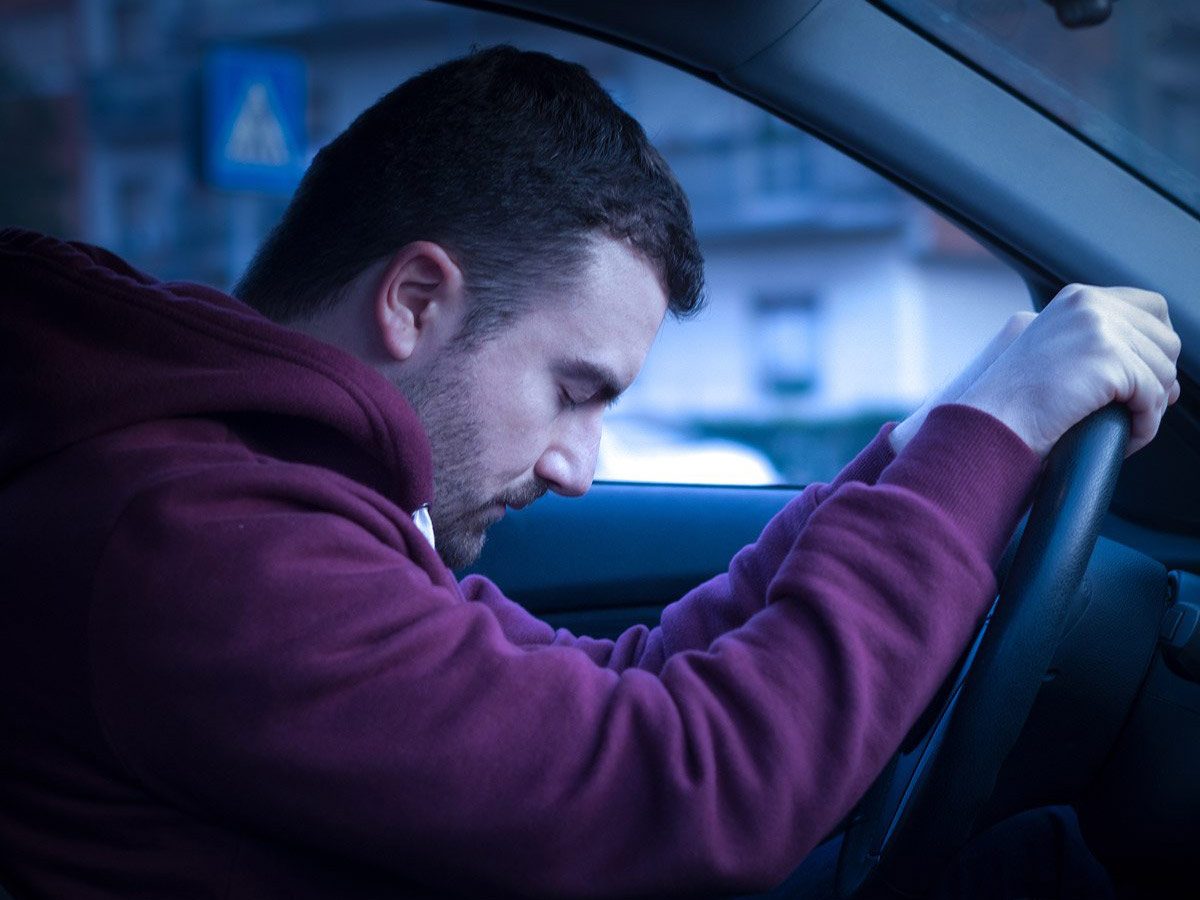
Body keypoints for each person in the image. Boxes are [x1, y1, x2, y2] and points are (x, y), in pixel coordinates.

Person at [0, 45, 1180, 898]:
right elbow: (684, 792)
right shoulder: (202, 544)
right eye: (574, 390)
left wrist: (931, 450)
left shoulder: (281, 492)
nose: (577, 467)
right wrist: (985, 446)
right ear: (416, 302)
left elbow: (605, 683)